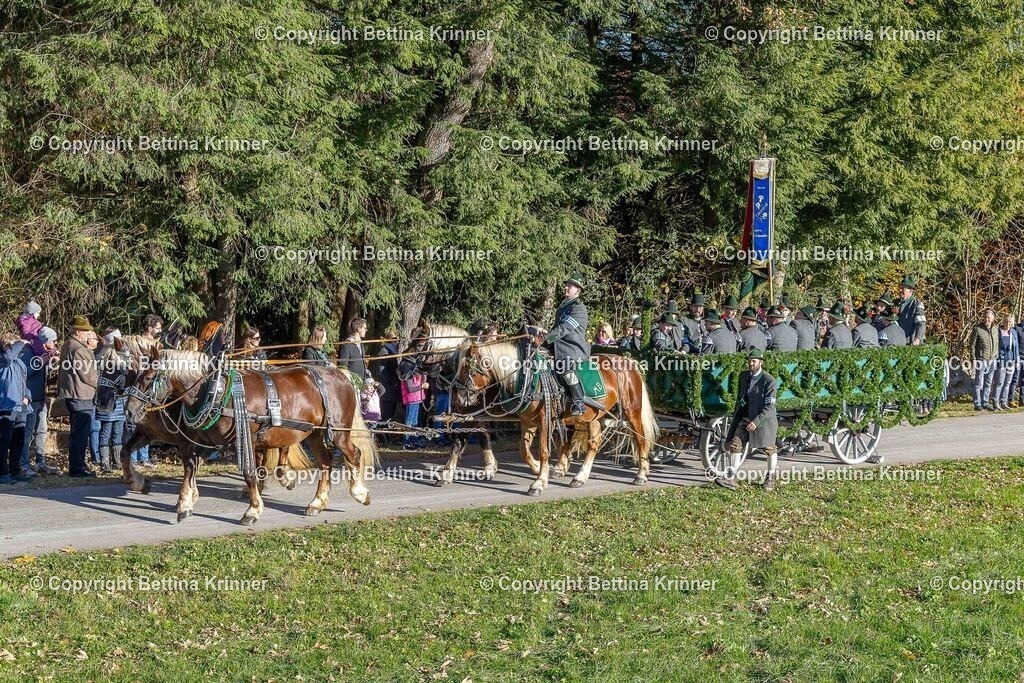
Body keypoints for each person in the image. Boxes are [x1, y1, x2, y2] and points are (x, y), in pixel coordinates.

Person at [716, 349, 779, 491]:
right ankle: (731, 478)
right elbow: (741, 397)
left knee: (769, 449)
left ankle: (771, 478)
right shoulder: (743, 376)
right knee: (735, 445)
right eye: (749, 360)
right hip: (745, 417)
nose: (751, 363)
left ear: (761, 362)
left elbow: (770, 406)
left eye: (754, 361)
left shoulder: (769, 380)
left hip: (763, 420)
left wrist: (756, 421)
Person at [543, 273, 591, 417]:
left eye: (570, 286)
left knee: (564, 367)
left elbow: (565, 328)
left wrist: (547, 338)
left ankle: (578, 402)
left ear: (578, 290)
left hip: (572, 349)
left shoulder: (579, 308)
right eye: (567, 285)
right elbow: (556, 328)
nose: (566, 287)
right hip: (558, 347)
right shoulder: (563, 307)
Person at [58, 315, 98, 477]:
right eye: (86, 331)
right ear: (77, 332)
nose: (89, 334)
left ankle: (79, 465)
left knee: (78, 433)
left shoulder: (68, 345)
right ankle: (77, 469)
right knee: (80, 434)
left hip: (75, 394)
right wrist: (103, 384)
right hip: (81, 394)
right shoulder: (80, 349)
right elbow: (88, 375)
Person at [22, 326, 58, 475]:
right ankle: (23, 464)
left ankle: (40, 462)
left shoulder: (43, 353)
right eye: (54, 341)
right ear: (46, 341)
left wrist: (52, 364)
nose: (55, 344)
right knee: (27, 432)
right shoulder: (28, 351)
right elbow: (24, 372)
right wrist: (40, 364)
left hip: (42, 398)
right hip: (30, 398)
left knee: (42, 431)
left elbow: (45, 374)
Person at [0, 332, 33, 484]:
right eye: (14, 345)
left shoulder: (19, 362)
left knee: (17, 439)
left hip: (20, 405)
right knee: (4, 440)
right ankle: (2, 472)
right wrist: (20, 342)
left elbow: (24, 381)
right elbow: (7, 358)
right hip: (5, 405)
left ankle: (15, 470)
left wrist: (27, 396)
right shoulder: (3, 359)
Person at [95, 328, 129, 472]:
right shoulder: (104, 356)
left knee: (118, 432)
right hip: (108, 398)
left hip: (120, 399)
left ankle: (117, 461)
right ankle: (105, 463)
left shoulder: (123, 357)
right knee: (106, 431)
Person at [398, 331, 429, 450]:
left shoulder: (416, 371)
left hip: (417, 398)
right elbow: (410, 388)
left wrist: (424, 375)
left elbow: (423, 376)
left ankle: (414, 439)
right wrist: (422, 386)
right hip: (411, 399)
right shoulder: (407, 372)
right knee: (409, 421)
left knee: (415, 420)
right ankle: (406, 442)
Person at [972, 308, 999, 411]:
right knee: (979, 382)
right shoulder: (977, 329)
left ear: (993, 318)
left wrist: (996, 356)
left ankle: (985, 402)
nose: (986, 319)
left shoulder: (996, 329)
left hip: (993, 359)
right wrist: (973, 359)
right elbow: (972, 346)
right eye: (985, 317)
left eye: (988, 317)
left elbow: (997, 343)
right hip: (981, 359)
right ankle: (977, 403)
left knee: (988, 382)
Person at [374, 329, 402, 427]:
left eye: (398, 338)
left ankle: (385, 433)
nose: (397, 341)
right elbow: (382, 370)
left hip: (393, 388)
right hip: (387, 388)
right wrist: (393, 381)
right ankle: (381, 434)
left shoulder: (394, 351)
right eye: (395, 338)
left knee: (391, 414)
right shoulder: (384, 351)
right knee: (386, 414)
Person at [993, 313, 1019, 411]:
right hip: (1001, 361)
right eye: (1006, 321)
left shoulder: (1013, 332)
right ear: (1003, 321)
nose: (1008, 323)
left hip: (1011, 361)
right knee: (999, 383)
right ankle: (996, 403)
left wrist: (1016, 360)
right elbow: (995, 346)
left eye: (1010, 322)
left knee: (1007, 383)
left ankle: (1004, 402)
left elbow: (1016, 347)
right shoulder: (998, 331)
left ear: (1012, 323)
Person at [896, 276, 926, 345]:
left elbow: (921, 323)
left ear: (910, 290)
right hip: (898, 342)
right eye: (900, 288)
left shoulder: (917, 304)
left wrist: (918, 338)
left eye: (903, 288)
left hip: (910, 342)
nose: (900, 290)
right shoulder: (896, 303)